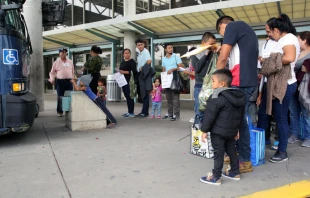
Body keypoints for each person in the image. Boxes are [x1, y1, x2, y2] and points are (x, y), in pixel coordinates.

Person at [215, 16, 258, 172]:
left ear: (222, 26)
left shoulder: (232, 27)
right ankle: (237, 154)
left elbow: (223, 57)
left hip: (240, 81)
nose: (224, 37)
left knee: (240, 122)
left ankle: (245, 160)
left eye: (221, 34)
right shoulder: (246, 30)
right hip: (249, 80)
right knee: (239, 120)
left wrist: (215, 79)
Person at [258, 14, 299, 162]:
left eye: (269, 31)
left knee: (281, 119)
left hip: (284, 84)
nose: (268, 35)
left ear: (276, 30)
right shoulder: (286, 39)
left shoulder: (287, 39)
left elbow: (289, 57)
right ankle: (281, 146)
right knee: (280, 118)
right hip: (281, 83)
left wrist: (268, 61)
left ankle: (282, 152)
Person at [200, 69, 245, 185]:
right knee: (232, 150)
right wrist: (237, 129)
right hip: (232, 131)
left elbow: (209, 115)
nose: (212, 84)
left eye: (213, 81)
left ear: (222, 84)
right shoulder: (238, 96)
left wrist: (204, 130)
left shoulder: (216, 96)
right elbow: (240, 116)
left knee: (218, 153)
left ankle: (216, 177)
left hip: (218, 132)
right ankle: (235, 172)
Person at [257, 36, 282, 147]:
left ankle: (278, 139)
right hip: (267, 84)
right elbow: (263, 77)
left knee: (278, 114)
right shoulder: (266, 44)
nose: (267, 37)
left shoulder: (281, 44)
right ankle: (264, 138)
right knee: (263, 113)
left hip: (278, 84)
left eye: (270, 32)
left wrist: (265, 61)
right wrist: (260, 94)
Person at [288, 31, 310, 147]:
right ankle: (294, 134)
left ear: (304, 40)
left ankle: (308, 137)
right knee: (293, 112)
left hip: (306, 87)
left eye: (298, 39)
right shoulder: (298, 53)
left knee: (306, 113)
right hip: (294, 85)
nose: (297, 42)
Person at [190, 32, 217, 121]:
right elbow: (197, 68)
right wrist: (206, 54)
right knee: (200, 109)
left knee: (213, 110)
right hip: (200, 85)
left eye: (214, 43)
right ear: (203, 43)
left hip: (213, 86)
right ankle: (199, 130)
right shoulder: (195, 54)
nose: (213, 46)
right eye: (211, 43)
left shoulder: (214, 53)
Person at [49, 48, 74, 117]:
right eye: (61, 52)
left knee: (68, 96)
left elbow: (72, 71)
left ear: (66, 53)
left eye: (64, 52)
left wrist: (73, 78)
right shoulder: (56, 62)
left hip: (69, 81)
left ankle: (67, 110)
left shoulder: (70, 62)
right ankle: (60, 111)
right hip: (60, 81)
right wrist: (52, 79)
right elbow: (52, 72)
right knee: (60, 96)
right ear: (59, 54)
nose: (62, 54)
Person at [161, 43, 183, 121]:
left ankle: (176, 114)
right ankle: (170, 114)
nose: (170, 49)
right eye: (169, 48)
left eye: (171, 47)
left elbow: (181, 66)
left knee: (175, 98)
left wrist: (173, 69)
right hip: (167, 80)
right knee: (169, 98)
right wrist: (163, 81)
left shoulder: (176, 57)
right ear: (165, 49)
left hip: (175, 78)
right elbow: (163, 69)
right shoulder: (163, 58)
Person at [135, 39, 152, 118]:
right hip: (140, 74)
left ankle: (145, 112)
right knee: (142, 93)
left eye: (141, 44)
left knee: (145, 93)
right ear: (136, 46)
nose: (140, 46)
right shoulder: (139, 53)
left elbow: (149, 61)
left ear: (144, 45)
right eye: (138, 45)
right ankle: (143, 111)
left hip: (144, 74)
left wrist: (143, 67)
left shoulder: (145, 52)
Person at [119, 48, 137, 118]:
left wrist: (123, 72)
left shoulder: (132, 62)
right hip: (123, 81)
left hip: (130, 81)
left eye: (128, 53)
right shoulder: (122, 62)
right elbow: (121, 69)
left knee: (130, 96)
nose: (127, 54)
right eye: (125, 53)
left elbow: (133, 72)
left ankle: (131, 112)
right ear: (123, 54)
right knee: (126, 96)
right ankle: (129, 111)